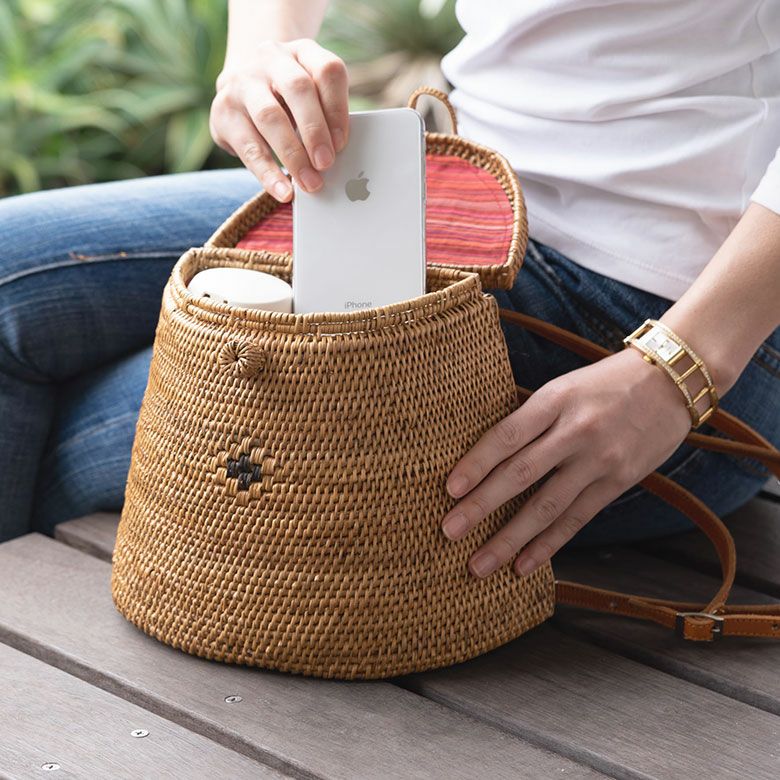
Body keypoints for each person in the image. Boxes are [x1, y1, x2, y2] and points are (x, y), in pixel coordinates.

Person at [0, 1, 778, 584]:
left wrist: (681, 367)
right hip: (451, 190)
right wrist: (262, 56)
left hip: (663, 315)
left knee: (96, 441)